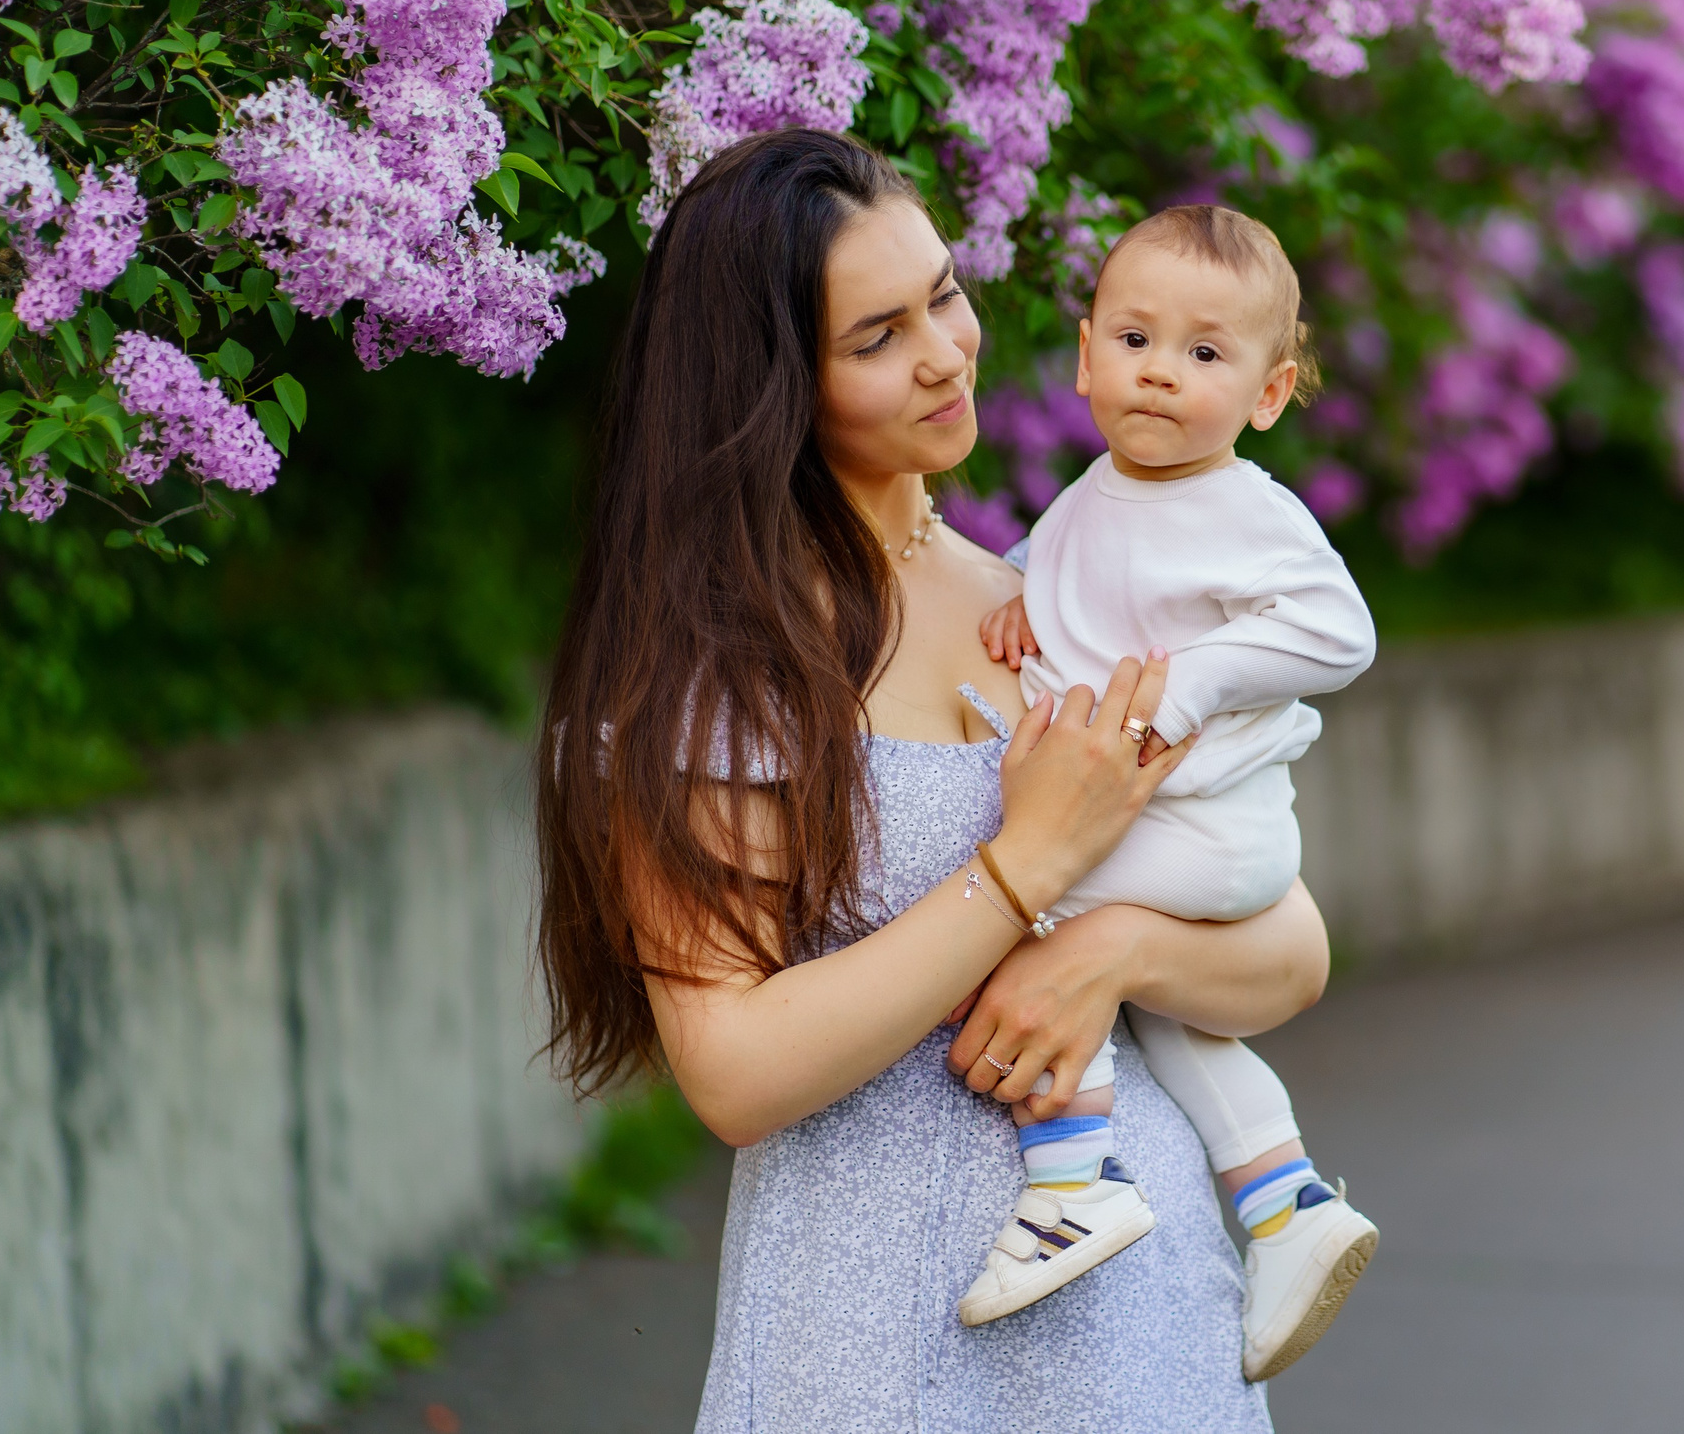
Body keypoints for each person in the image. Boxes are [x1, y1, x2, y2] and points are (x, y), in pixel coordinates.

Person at [534, 130, 1327, 1431]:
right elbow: (733, 1071)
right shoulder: (723, 670)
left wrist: (1112, 947)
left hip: (1151, 1338)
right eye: (878, 335)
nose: (948, 351)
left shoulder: (1046, 603)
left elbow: (1289, 948)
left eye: (946, 294)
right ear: (775, 381)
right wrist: (1024, 873)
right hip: (880, 1343)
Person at [958, 205, 1380, 1383]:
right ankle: (1287, 1203)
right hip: (1169, 828)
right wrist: (1025, 598)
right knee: (1166, 1014)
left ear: (1268, 391)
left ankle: (1069, 1185)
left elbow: (1341, 634)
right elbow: (1075, 579)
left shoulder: (1247, 512)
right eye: (1136, 338)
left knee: (1016, 910)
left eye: (1205, 353)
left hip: (1207, 831)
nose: (1160, 371)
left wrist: (1189, 688)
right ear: (1086, 353)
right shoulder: (1094, 491)